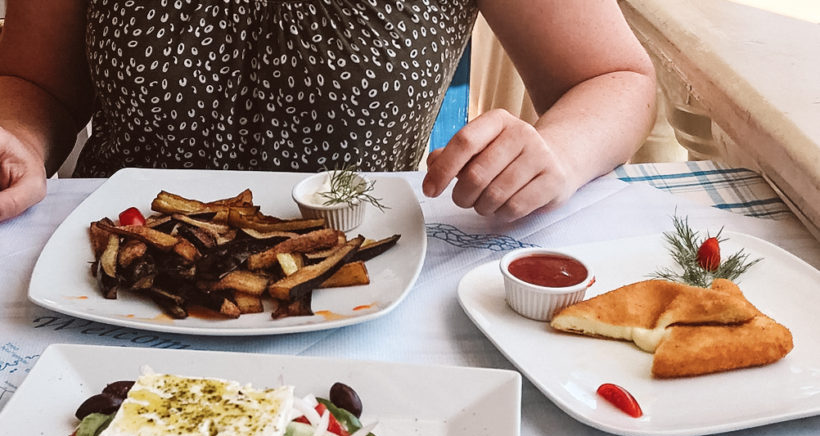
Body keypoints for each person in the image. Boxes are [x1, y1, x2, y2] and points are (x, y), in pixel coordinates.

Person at [0, 0, 656, 224]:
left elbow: (614, 78)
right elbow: (35, 82)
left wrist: (560, 151)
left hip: (346, 279)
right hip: (115, 263)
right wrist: (19, 142)